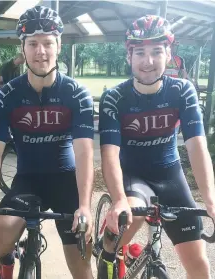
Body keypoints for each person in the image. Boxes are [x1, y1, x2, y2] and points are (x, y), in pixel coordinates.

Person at [0, 6, 95, 279]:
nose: (41, 51)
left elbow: (85, 153)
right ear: (23, 48)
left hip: (66, 181)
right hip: (28, 179)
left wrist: (85, 206)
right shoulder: (7, 95)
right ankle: (7, 260)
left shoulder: (77, 94)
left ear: (59, 45)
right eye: (33, 44)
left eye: (48, 43)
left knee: (83, 266)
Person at [98, 15, 215, 279]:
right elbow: (110, 155)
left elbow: (197, 146)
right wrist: (118, 201)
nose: (148, 61)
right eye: (140, 52)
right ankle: (107, 252)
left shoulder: (182, 91)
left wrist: (210, 199)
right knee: (128, 218)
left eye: (156, 52)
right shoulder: (115, 98)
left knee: (200, 268)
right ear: (129, 56)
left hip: (170, 176)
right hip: (134, 177)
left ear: (168, 53)